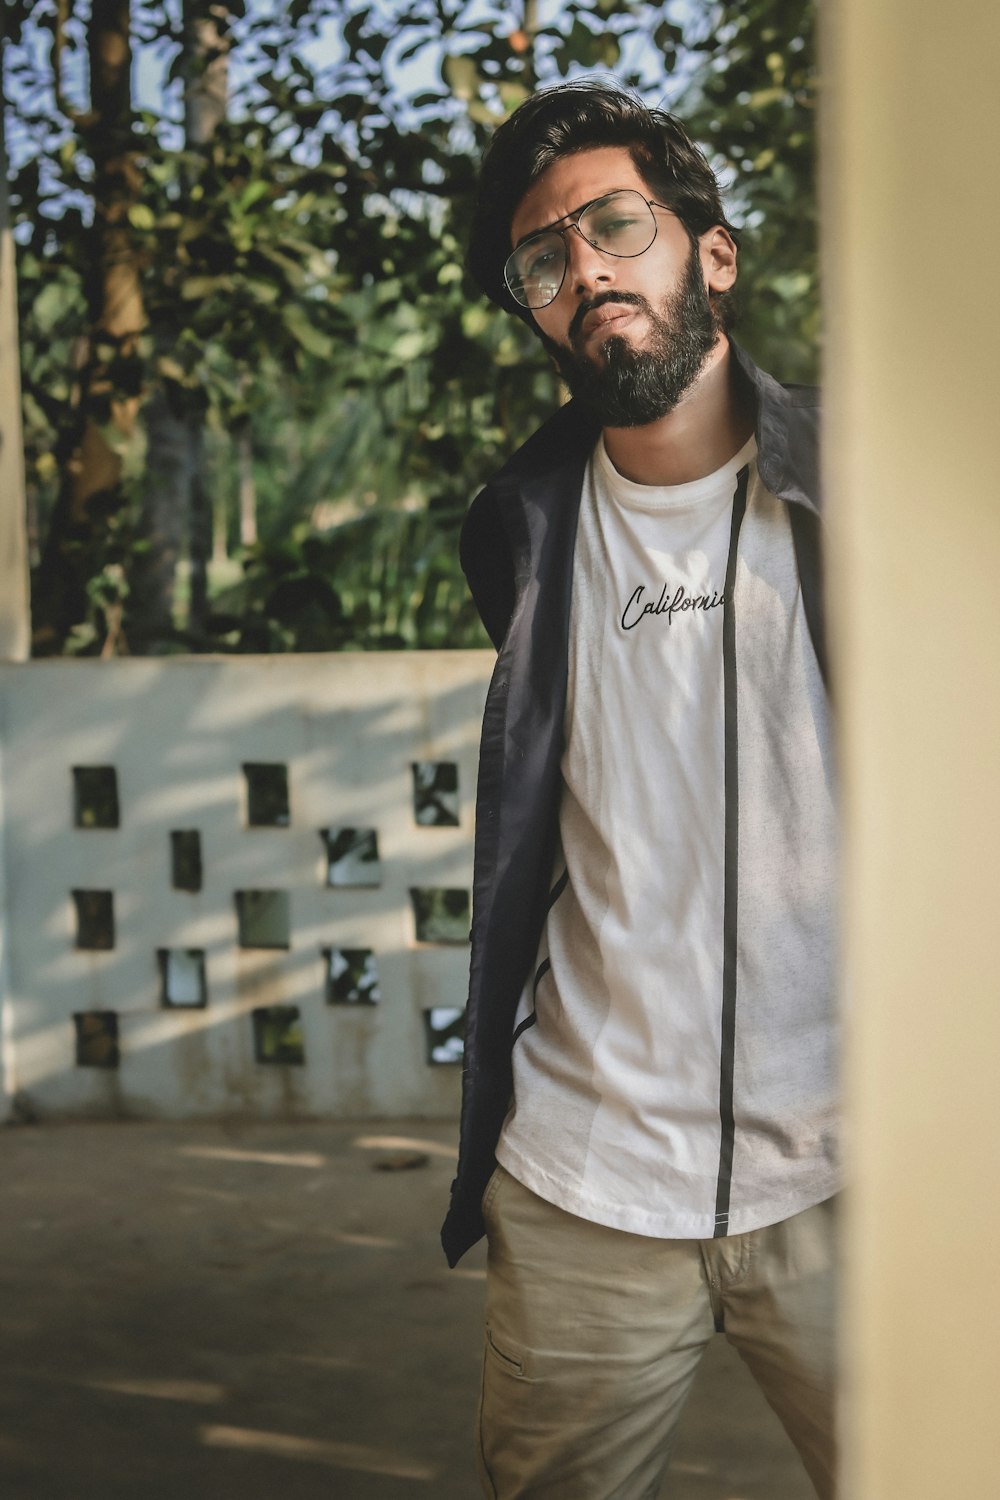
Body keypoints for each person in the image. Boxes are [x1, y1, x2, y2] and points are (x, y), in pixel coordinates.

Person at [441, 79, 837, 1500]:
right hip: (587, 1185)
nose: (587, 268)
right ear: (536, 313)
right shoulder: (520, 532)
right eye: (543, 260)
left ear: (711, 253)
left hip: (869, 1176)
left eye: (619, 224)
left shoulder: (871, 494)